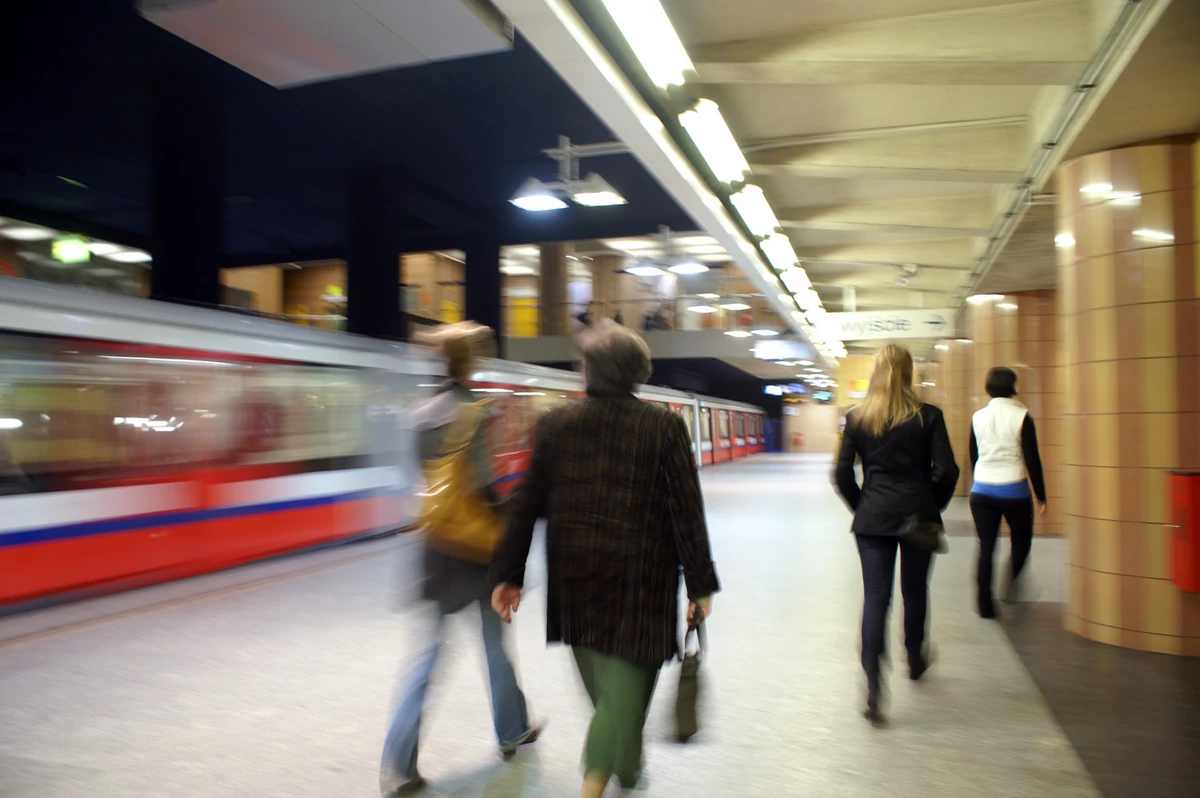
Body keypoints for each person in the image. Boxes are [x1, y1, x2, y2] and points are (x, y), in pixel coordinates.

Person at [491, 320, 719, 798]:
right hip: (643, 583)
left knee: (612, 698)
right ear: (636, 372)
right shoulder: (664, 427)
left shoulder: (556, 424)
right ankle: (608, 777)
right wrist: (699, 585)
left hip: (577, 583)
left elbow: (524, 503)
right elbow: (686, 513)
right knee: (620, 700)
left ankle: (616, 770)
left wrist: (509, 574)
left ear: (590, 371)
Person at [379, 322, 539, 797]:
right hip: (477, 552)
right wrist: (511, 527)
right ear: (471, 363)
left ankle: (400, 762)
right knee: (495, 648)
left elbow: (428, 483)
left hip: (436, 551)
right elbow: (485, 487)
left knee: (425, 659)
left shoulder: (419, 415)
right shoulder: (476, 413)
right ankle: (511, 731)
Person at [834, 344, 959, 725]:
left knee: (876, 597)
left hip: (873, 518)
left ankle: (873, 687)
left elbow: (841, 474)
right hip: (917, 515)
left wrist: (864, 506)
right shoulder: (928, 417)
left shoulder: (858, 418)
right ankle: (915, 656)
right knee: (915, 590)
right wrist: (929, 504)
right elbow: (947, 470)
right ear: (909, 372)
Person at [969, 367, 1047, 618]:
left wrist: (980, 479)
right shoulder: (1022, 416)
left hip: (981, 489)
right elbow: (1032, 459)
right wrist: (1041, 495)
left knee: (986, 547)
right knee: (1021, 542)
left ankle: (984, 605)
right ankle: (1010, 585)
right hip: (1013, 490)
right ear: (1013, 387)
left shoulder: (977, 417)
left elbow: (974, 455)